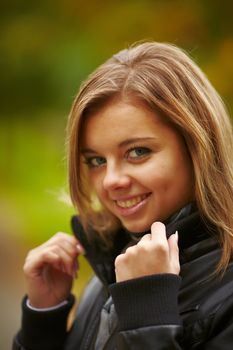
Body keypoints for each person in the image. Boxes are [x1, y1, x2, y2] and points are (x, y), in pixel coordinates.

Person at [13, 42, 233, 350]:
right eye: (96, 161)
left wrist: (148, 313)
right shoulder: (115, 257)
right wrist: (44, 322)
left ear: (198, 146)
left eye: (138, 152)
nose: (111, 181)